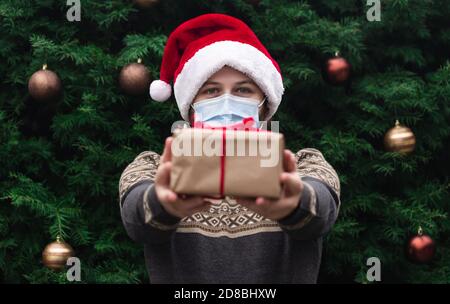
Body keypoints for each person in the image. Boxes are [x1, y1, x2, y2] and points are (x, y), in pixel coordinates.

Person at [119, 13, 340, 284]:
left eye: (244, 90)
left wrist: (292, 203)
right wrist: (164, 202)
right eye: (211, 91)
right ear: (190, 107)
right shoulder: (154, 168)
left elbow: (321, 210)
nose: (227, 102)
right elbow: (136, 218)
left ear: (265, 104)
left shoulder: (305, 164)